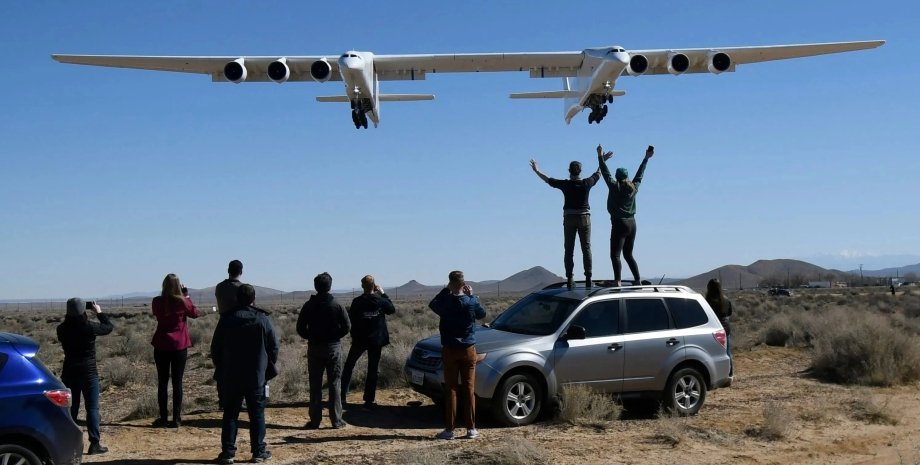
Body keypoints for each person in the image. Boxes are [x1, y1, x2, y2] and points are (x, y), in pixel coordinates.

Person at [211, 284, 279, 464]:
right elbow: (274, 347)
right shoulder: (262, 319)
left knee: (230, 414)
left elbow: (215, 348)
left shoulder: (226, 319)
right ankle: (258, 451)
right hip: (256, 376)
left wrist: (222, 367)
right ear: (253, 299)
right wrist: (266, 366)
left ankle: (228, 453)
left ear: (236, 299)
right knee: (257, 413)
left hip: (231, 375)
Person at [428, 270, 487, 440]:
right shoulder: (470, 301)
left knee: (451, 389)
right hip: (468, 349)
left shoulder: (446, 301)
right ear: (463, 283)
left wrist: (446, 290)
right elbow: (482, 314)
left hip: (450, 349)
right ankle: (471, 429)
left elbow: (433, 304)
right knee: (468, 388)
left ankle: (449, 430)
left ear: (450, 283)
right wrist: (473, 296)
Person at [530, 155, 601, 288]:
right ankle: (588, 278)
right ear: (580, 171)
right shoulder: (586, 183)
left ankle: (569, 278)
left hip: (569, 218)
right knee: (586, 248)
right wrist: (602, 160)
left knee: (569, 249)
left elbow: (549, 180)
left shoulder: (566, 185)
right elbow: (598, 173)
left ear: (569, 171)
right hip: (584, 218)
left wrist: (537, 170)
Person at [56, 298, 113, 455]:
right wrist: (99, 312)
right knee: (92, 408)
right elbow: (108, 327)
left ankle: (70, 443)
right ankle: (94, 444)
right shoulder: (89, 327)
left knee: (71, 408)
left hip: (69, 372)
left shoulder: (61, 329)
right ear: (83, 310)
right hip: (89, 372)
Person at [296, 272, 351, 429]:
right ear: (330, 286)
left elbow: (300, 328)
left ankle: (315, 420)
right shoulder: (337, 305)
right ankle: (336, 420)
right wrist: (335, 337)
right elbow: (347, 327)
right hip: (333, 347)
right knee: (334, 383)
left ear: (315, 286)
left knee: (315, 384)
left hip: (314, 348)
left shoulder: (309, 305)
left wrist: (311, 337)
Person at [598, 144, 654, 286]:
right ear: (627, 176)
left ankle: (617, 281)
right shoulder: (633, 187)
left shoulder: (614, 185)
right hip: (632, 224)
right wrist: (646, 158)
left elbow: (605, 173)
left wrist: (600, 157)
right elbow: (640, 175)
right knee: (628, 254)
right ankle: (637, 279)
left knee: (615, 255)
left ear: (617, 177)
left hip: (619, 223)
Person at [150, 274, 200, 429]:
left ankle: (163, 418)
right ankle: (177, 419)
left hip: (161, 345)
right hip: (179, 346)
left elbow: (157, 313)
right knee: (177, 382)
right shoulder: (182, 301)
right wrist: (186, 295)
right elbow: (195, 313)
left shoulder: (157, 301)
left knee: (162, 382)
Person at [340, 275, 396, 410]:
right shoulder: (381, 300)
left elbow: (350, 320)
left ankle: (341, 396)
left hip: (359, 339)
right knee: (372, 369)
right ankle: (369, 401)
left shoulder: (357, 302)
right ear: (374, 286)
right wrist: (383, 293)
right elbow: (392, 309)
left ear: (362, 286)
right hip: (376, 341)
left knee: (349, 366)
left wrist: (353, 334)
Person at [214, 259, 244, 410]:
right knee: (240, 365)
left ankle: (223, 400)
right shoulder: (243, 289)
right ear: (241, 271)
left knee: (222, 364)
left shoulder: (219, 287)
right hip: (240, 328)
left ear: (228, 270)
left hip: (223, 326)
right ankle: (239, 400)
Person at [705, 278, 734, 376]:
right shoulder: (726, 299)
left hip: (714, 329)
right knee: (727, 352)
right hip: (726, 327)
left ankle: (717, 374)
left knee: (713, 354)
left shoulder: (709, 301)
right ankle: (730, 373)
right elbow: (729, 313)